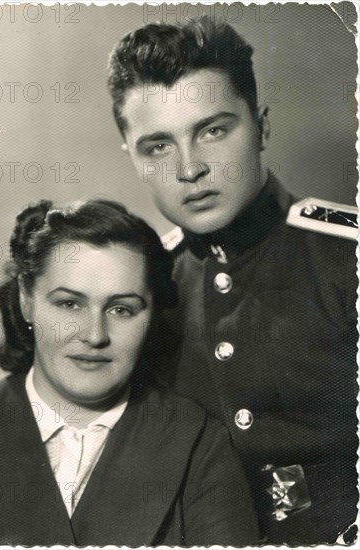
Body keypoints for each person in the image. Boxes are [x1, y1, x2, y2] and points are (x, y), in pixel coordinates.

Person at [107, 16, 358, 545]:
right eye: (158, 147)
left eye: (214, 130)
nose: (190, 168)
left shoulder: (346, 258)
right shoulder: (144, 288)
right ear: (132, 157)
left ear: (261, 126)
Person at [0, 198, 259, 546]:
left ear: (152, 314)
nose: (95, 335)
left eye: (121, 309)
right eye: (68, 304)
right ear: (26, 300)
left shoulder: (198, 442)